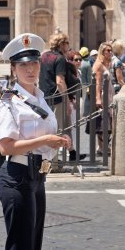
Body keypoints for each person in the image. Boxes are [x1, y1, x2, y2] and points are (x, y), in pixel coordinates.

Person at [0, 32, 71, 250]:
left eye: (34, 63)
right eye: (23, 65)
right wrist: (45, 141)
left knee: (33, 248)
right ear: (13, 69)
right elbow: (7, 146)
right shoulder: (7, 101)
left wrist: (54, 143)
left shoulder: (38, 97)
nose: (30, 69)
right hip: (16, 177)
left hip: (36, 177)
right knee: (19, 249)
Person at [39, 33, 79, 170]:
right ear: (62, 44)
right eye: (67, 43)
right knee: (56, 132)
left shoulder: (43, 56)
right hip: (57, 99)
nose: (68, 46)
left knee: (49, 132)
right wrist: (67, 101)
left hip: (44, 99)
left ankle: (48, 164)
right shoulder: (60, 58)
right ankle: (53, 166)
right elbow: (60, 82)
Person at [93, 42, 115, 155]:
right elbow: (97, 83)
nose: (110, 52)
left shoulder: (107, 64)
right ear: (102, 52)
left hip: (109, 94)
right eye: (108, 50)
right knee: (103, 122)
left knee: (106, 121)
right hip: (102, 95)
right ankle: (102, 147)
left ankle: (102, 146)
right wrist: (98, 98)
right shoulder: (98, 64)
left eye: (111, 50)